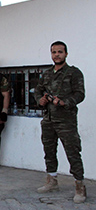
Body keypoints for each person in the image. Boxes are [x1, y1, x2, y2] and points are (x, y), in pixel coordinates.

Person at [35, 41, 86, 204]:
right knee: (49, 151)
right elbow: (38, 89)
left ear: (66, 54)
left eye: (60, 52)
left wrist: (65, 102)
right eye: (54, 52)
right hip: (48, 119)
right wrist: (40, 100)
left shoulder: (73, 73)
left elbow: (80, 94)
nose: (56, 54)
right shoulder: (47, 73)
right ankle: (52, 180)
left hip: (66, 121)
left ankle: (79, 186)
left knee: (73, 153)